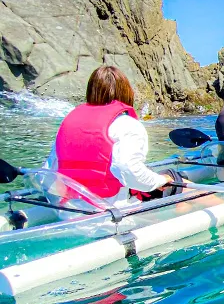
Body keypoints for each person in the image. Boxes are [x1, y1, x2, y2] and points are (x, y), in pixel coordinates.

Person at [44, 65, 178, 210]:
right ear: (126, 92)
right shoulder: (127, 125)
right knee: (182, 187)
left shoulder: (68, 124)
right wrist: (160, 180)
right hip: (113, 211)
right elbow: (128, 170)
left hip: (70, 209)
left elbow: (49, 171)